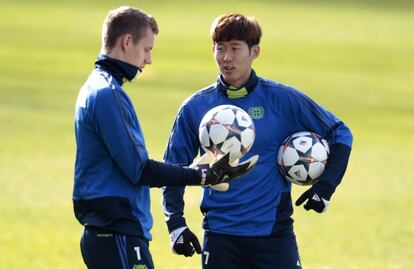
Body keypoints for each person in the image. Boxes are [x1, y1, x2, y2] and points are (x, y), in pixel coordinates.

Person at [162, 13, 353, 268]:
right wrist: (175, 225)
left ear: (255, 52)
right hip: (220, 236)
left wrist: (325, 187)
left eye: (235, 49)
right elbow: (173, 168)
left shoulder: (282, 100)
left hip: (274, 235)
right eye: (220, 49)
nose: (226, 58)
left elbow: (340, 132)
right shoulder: (195, 108)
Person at [73, 7, 257, 269]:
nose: (148, 60)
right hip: (115, 230)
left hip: (108, 230)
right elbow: (140, 170)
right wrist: (201, 176)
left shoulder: (94, 87)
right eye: (147, 49)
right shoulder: (107, 94)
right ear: (127, 41)